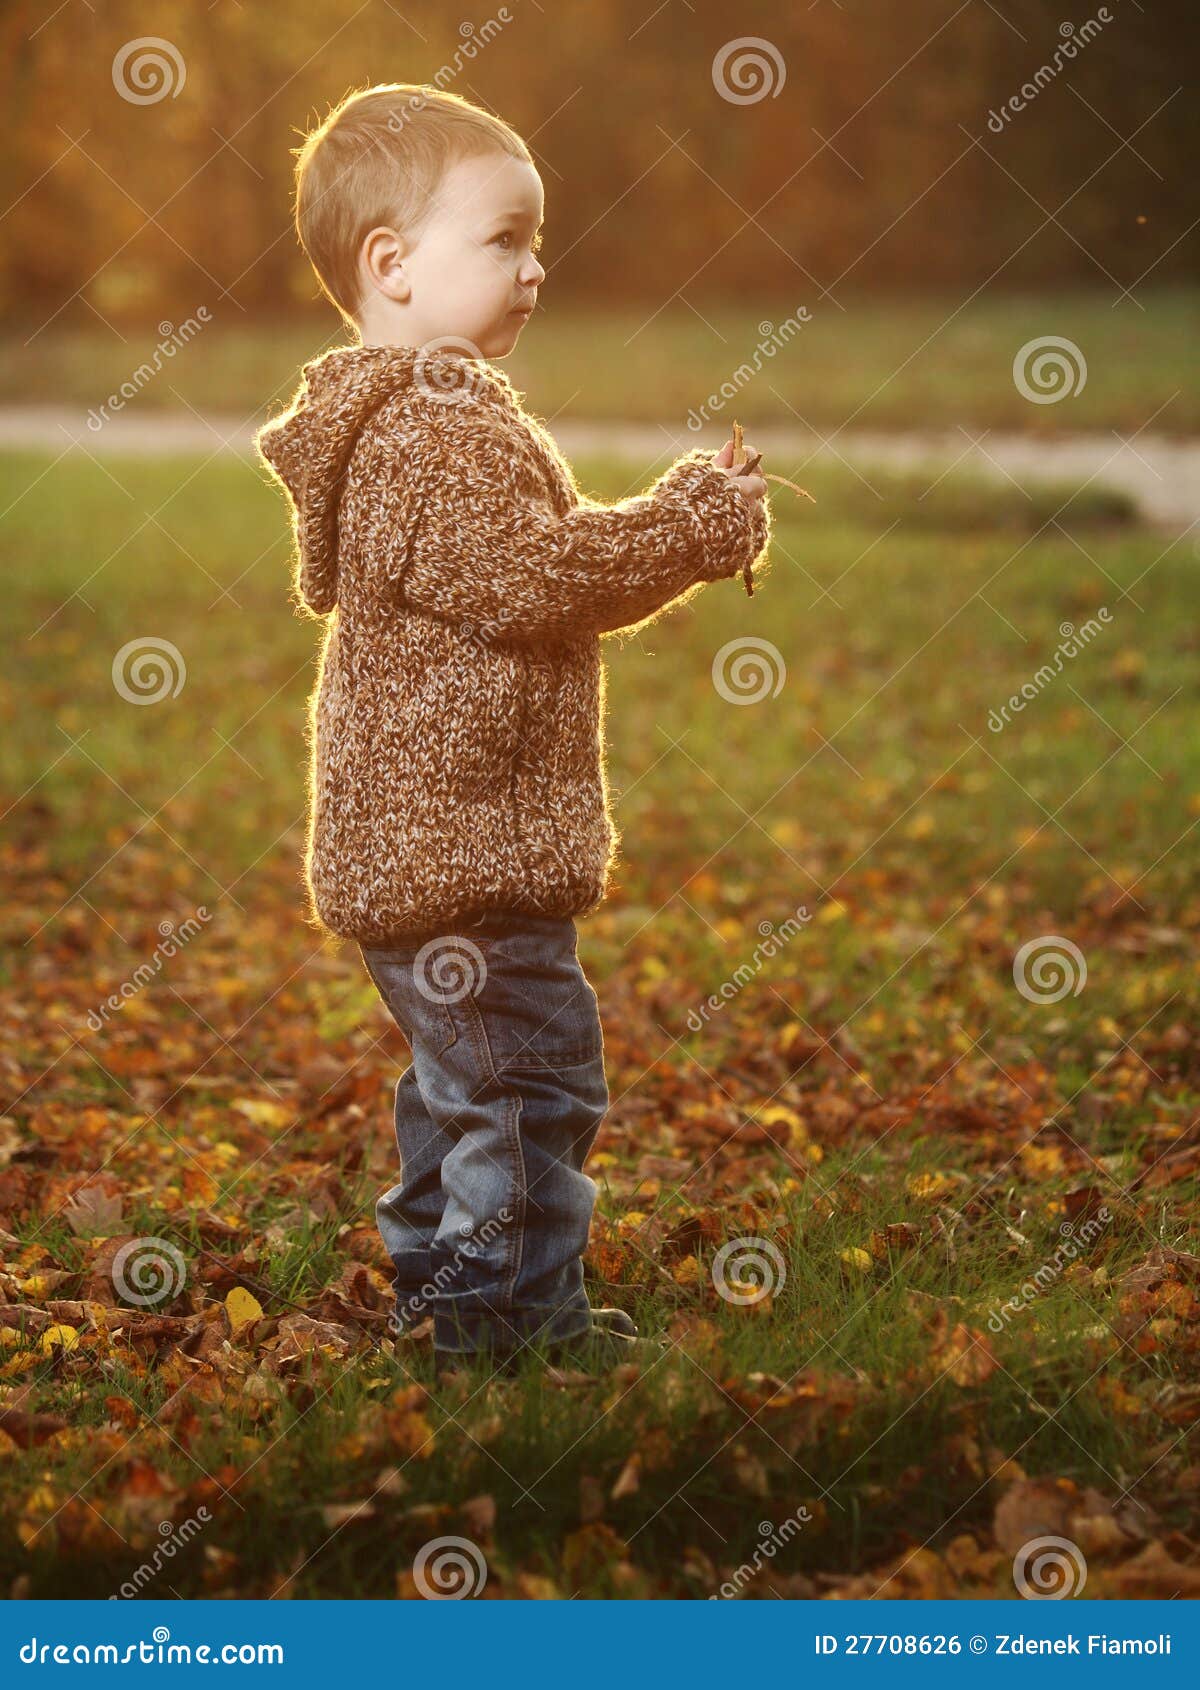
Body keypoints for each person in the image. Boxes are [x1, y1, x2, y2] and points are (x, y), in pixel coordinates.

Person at [256, 83, 771, 1374]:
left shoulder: (419, 416)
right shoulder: (431, 430)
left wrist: (660, 526)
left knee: (468, 1092)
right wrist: (691, 529)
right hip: (462, 855)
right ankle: (510, 1333)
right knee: (533, 1090)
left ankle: (445, 1302)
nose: (537, 266)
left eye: (539, 240)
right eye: (504, 238)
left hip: (429, 851)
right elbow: (534, 578)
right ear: (392, 264)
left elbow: (520, 567)